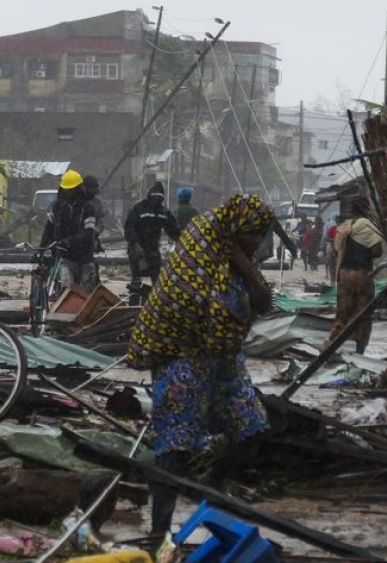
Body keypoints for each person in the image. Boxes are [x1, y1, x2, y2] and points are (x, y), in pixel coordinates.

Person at [126, 194, 275, 542]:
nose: (257, 239)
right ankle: (159, 530)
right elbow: (192, 307)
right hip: (183, 358)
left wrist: (243, 262)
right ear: (235, 228)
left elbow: (264, 302)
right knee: (174, 446)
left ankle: (213, 477)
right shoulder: (198, 251)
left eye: (261, 233)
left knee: (253, 430)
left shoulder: (240, 260)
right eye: (252, 232)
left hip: (225, 359)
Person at [327, 197, 383, 353]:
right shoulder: (367, 225)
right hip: (362, 275)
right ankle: (359, 351)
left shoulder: (344, 227)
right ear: (365, 208)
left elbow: (336, 250)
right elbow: (377, 251)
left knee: (342, 314)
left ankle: (331, 346)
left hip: (344, 275)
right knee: (363, 315)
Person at [40, 169, 100, 292]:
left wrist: (70, 241)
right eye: (66, 189)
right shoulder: (57, 207)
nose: (68, 193)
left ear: (78, 189)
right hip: (66, 257)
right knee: (66, 292)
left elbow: (89, 233)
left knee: (85, 295)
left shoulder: (87, 208)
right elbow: (49, 228)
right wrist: (41, 249)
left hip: (85, 257)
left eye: (71, 190)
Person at [124, 181, 179, 304]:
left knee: (155, 280)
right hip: (137, 249)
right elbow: (129, 228)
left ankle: (149, 305)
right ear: (149, 195)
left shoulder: (163, 212)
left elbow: (174, 229)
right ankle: (133, 307)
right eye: (155, 196)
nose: (157, 199)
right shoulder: (138, 208)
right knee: (138, 280)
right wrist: (135, 245)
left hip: (153, 250)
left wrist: (182, 240)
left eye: (159, 198)